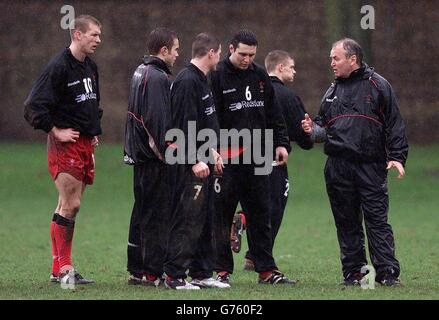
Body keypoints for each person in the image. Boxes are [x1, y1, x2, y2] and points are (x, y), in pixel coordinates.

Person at [301, 38, 408, 286]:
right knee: (346, 222)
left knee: (377, 221)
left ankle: (387, 273)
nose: (331, 63)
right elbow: (323, 128)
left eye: (335, 58)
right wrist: (311, 129)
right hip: (338, 167)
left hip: (370, 166)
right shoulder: (332, 91)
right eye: (331, 58)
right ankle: (354, 273)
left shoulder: (379, 86)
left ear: (353, 59)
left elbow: (395, 124)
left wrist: (396, 157)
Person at [210, 30, 296, 285]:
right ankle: (222, 271)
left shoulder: (259, 75)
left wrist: (281, 143)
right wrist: (212, 150)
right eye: (242, 54)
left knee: (261, 213)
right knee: (222, 215)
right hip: (228, 158)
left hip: (258, 156)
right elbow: (209, 115)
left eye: (251, 55)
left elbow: (273, 112)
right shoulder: (217, 76)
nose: (247, 59)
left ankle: (266, 269)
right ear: (230, 49)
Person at [24, 15, 103, 285]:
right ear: (77, 35)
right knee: (72, 204)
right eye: (93, 35)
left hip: (84, 143)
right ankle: (65, 268)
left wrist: (93, 131)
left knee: (67, 207)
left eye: (99, 35)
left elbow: (93, 102)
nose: (98, 40)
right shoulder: (57, 67)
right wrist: (55, 130)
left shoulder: (90, 66)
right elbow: (33, 105)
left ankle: (57, 270)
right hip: (64, 144)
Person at [163, 33, 228, 290]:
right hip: (190, 166)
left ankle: (201, 273)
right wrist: (193, 161)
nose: (220, 58)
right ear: (211, 52)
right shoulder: (187, 81)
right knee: (187, 218)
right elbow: (182, 127)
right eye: (219, 53)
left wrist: (212, 153)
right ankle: (174, 276)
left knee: (205, 218)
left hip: (205, 160)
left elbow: (204, 123)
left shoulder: (204, 80)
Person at [241, 50, 314, 271]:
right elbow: (304, 138)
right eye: (291, 67)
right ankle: (255, 255)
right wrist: (309, 135)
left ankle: (248, 238)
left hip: (247, 156)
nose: (295, 71)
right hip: (274, 160)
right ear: (280, 67)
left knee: (255, 202)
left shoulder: (252, 91)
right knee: (274, 207)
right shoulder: (287, 96)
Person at [123, 28, 179, 287]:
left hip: (139, 156)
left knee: (142, 211)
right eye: (176, 50)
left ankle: (137, 268)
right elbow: (156, 121)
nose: (178, 55)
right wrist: (166, 154)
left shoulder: (139, 71)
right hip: (154, 158)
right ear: (164, 50)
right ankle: (151, 272)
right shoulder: (157, 77)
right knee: (156, 214)